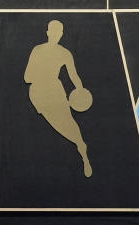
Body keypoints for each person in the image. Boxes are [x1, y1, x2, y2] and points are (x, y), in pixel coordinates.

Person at [24, 20, 93, 177]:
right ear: (48, 32)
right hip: (39, 94)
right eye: (53, 32)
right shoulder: (38, 50)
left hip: (55, 91)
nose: (55, 35)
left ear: (60, 35)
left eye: (58, 32)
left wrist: (80, 90)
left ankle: (82, 150)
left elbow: (74, 76)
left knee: (68, 122)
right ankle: (80, 145)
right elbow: (27, 77)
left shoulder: (64, 53)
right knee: (61, 125)